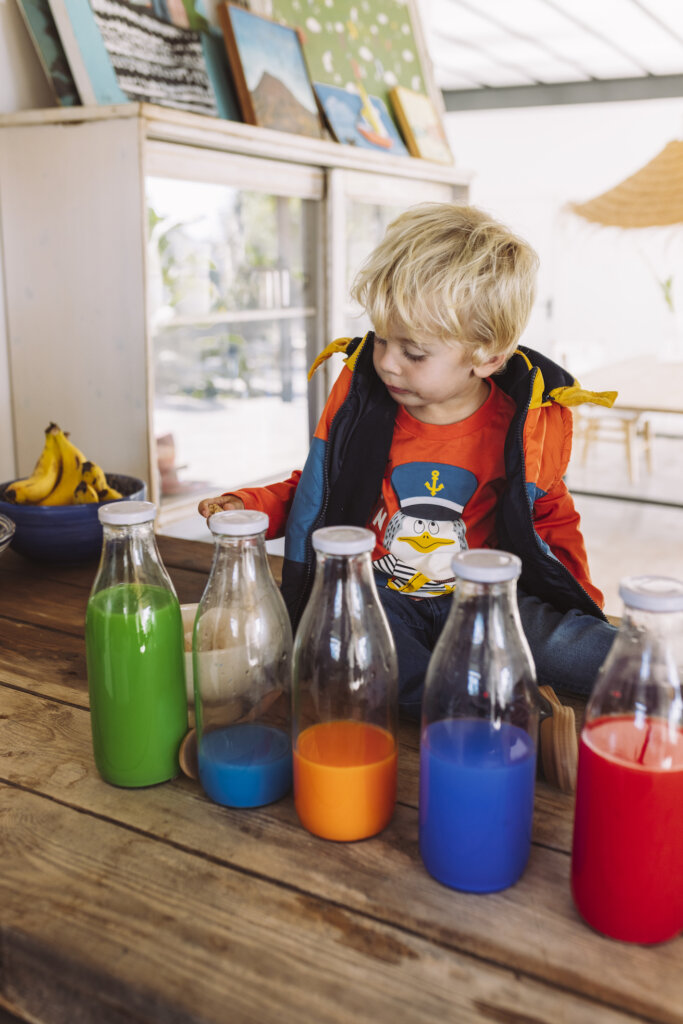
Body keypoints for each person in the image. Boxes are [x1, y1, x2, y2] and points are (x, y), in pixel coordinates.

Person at [199, 203, 617, 716]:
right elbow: (316, 488)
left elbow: (552, 519)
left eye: (414, 352)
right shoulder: (365, 408)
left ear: (487, 357)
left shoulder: (525, 425)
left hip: (486, 599)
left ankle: (643, 675)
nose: (387, 362)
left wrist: (579, 602)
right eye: (380, 338)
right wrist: (247, 506)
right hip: (381, 598)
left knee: (586, 651)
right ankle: (484, 709)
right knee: (359, 651)